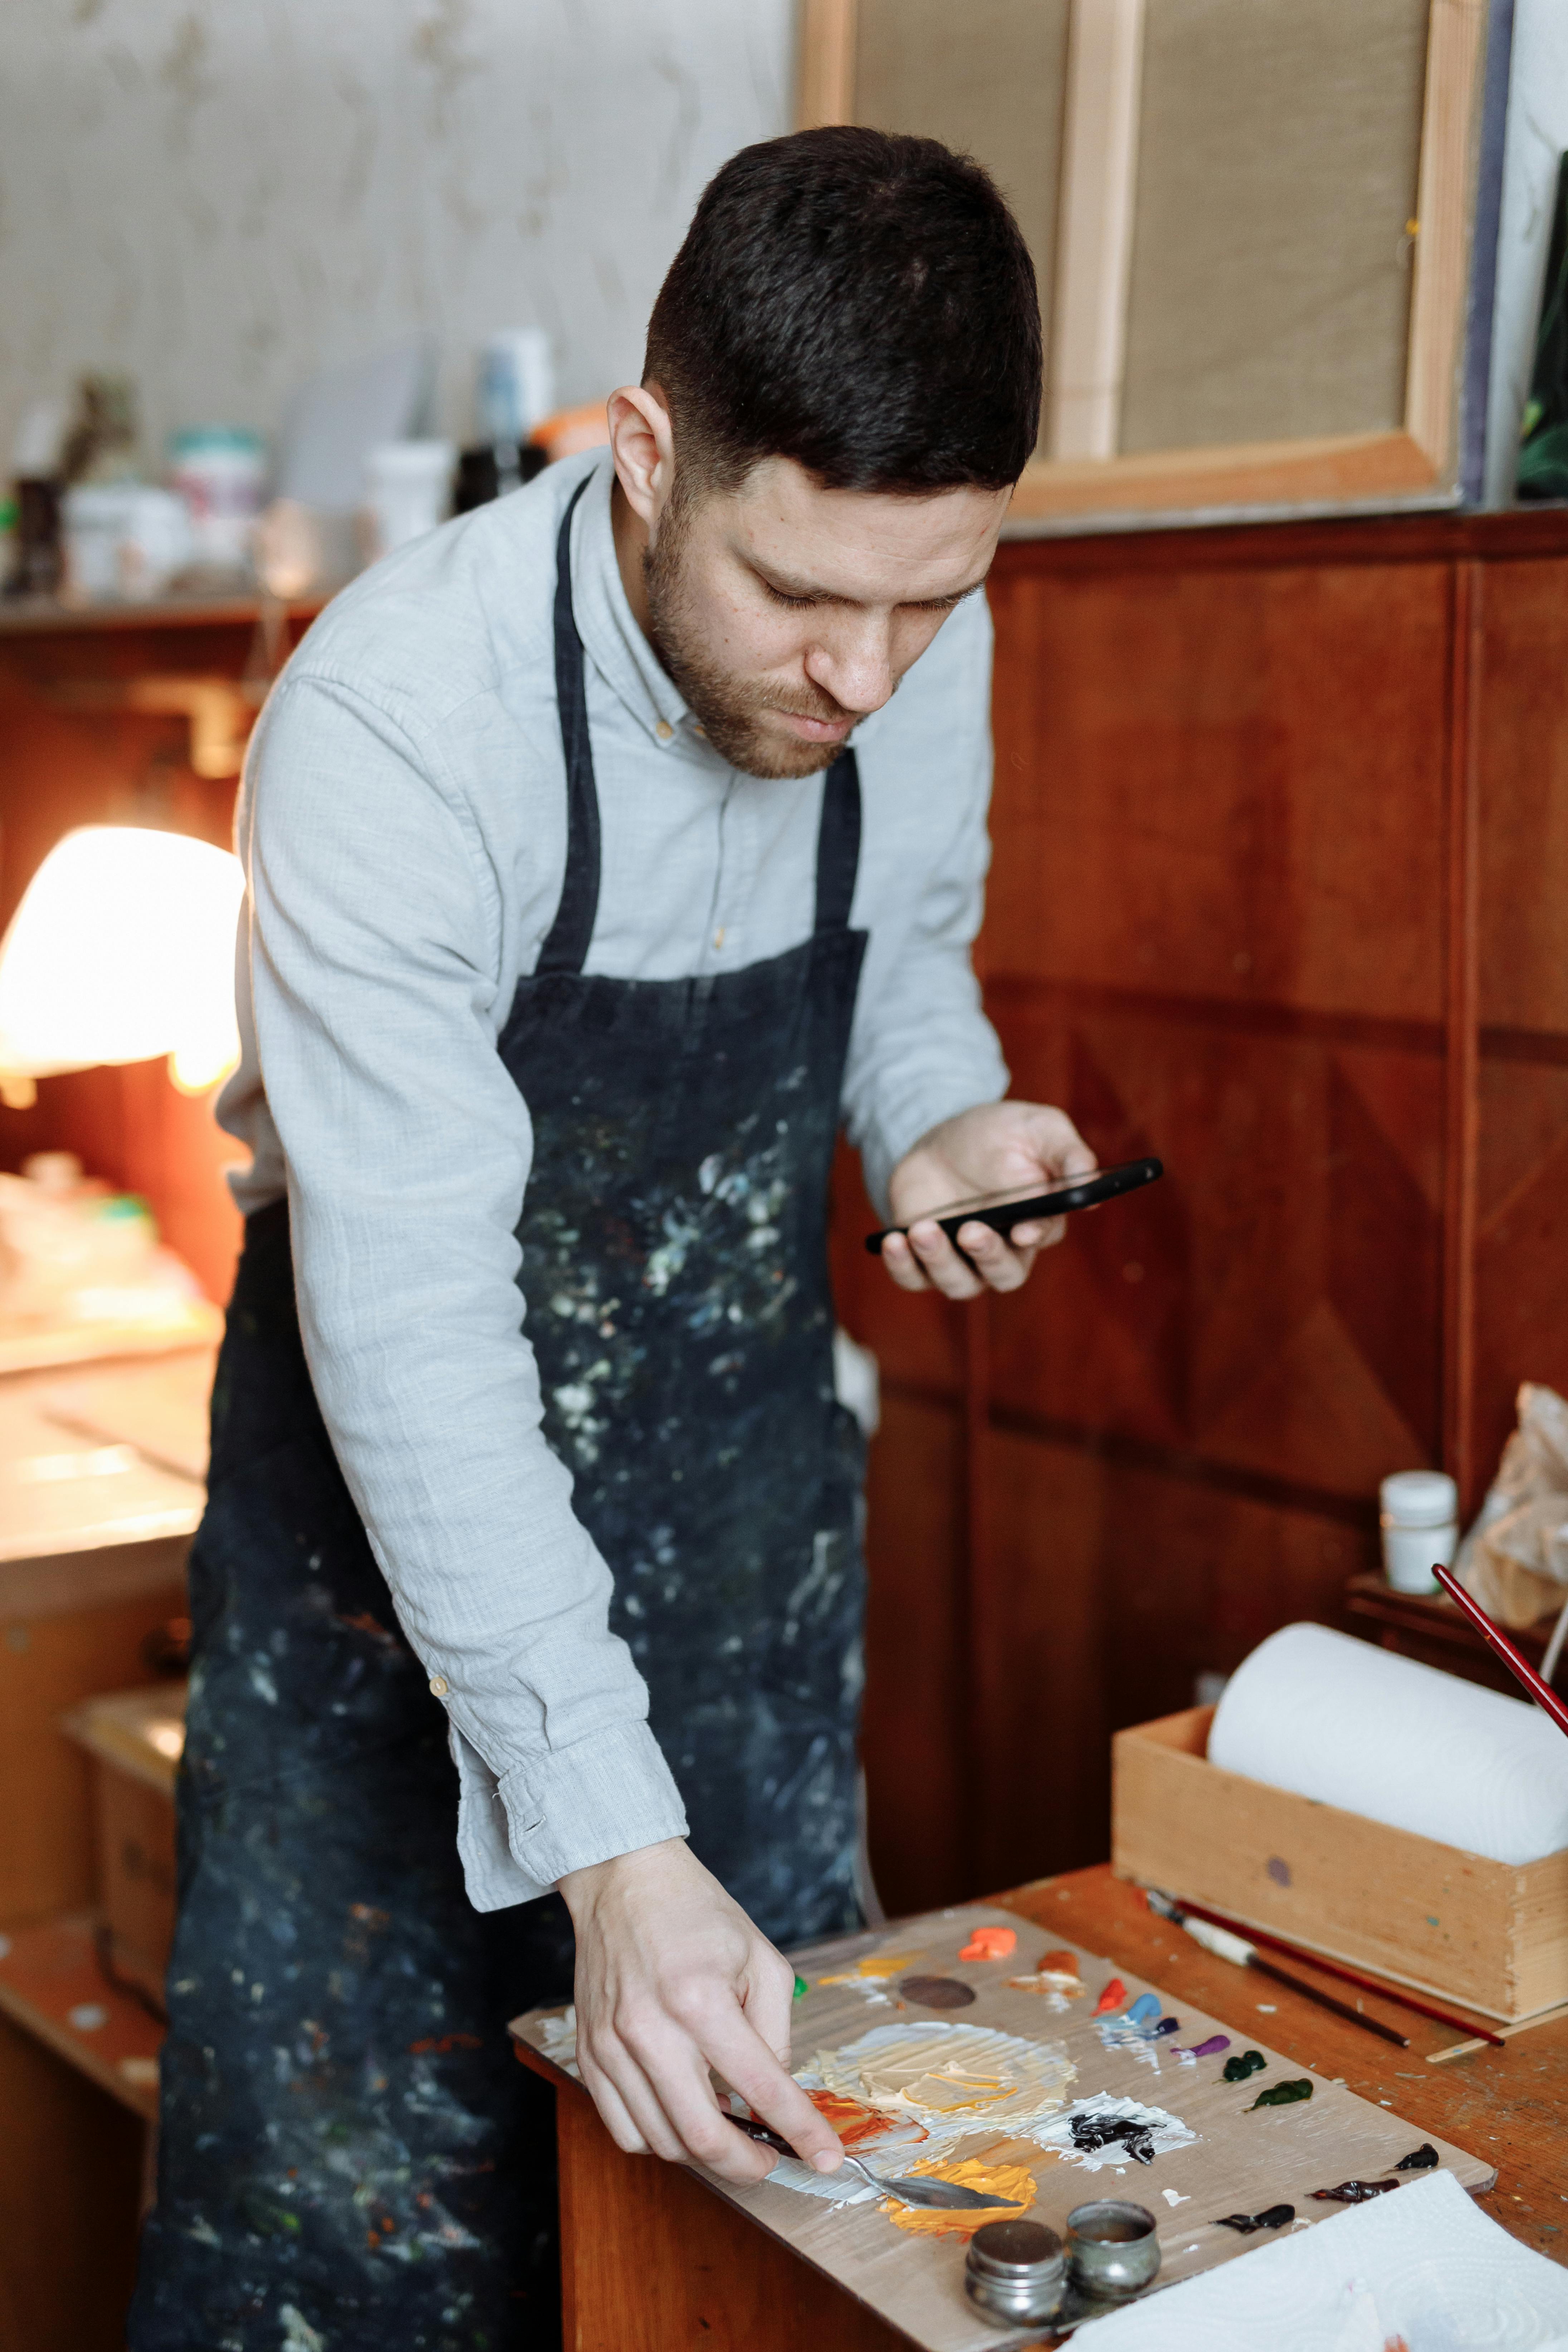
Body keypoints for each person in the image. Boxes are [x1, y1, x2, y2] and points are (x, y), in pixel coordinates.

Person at [129, 125, 1094, 2352]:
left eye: (931, 603)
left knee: (751, 2274)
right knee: (355, 2282)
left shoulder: (903, 629)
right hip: (382, 1631)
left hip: (746, 1593)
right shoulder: (398, 727)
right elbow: (418, 1330)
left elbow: (901, 951)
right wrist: (607, 1848)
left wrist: (937, 1122)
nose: (869, 673)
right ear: (650, 456)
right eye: (804, 601)